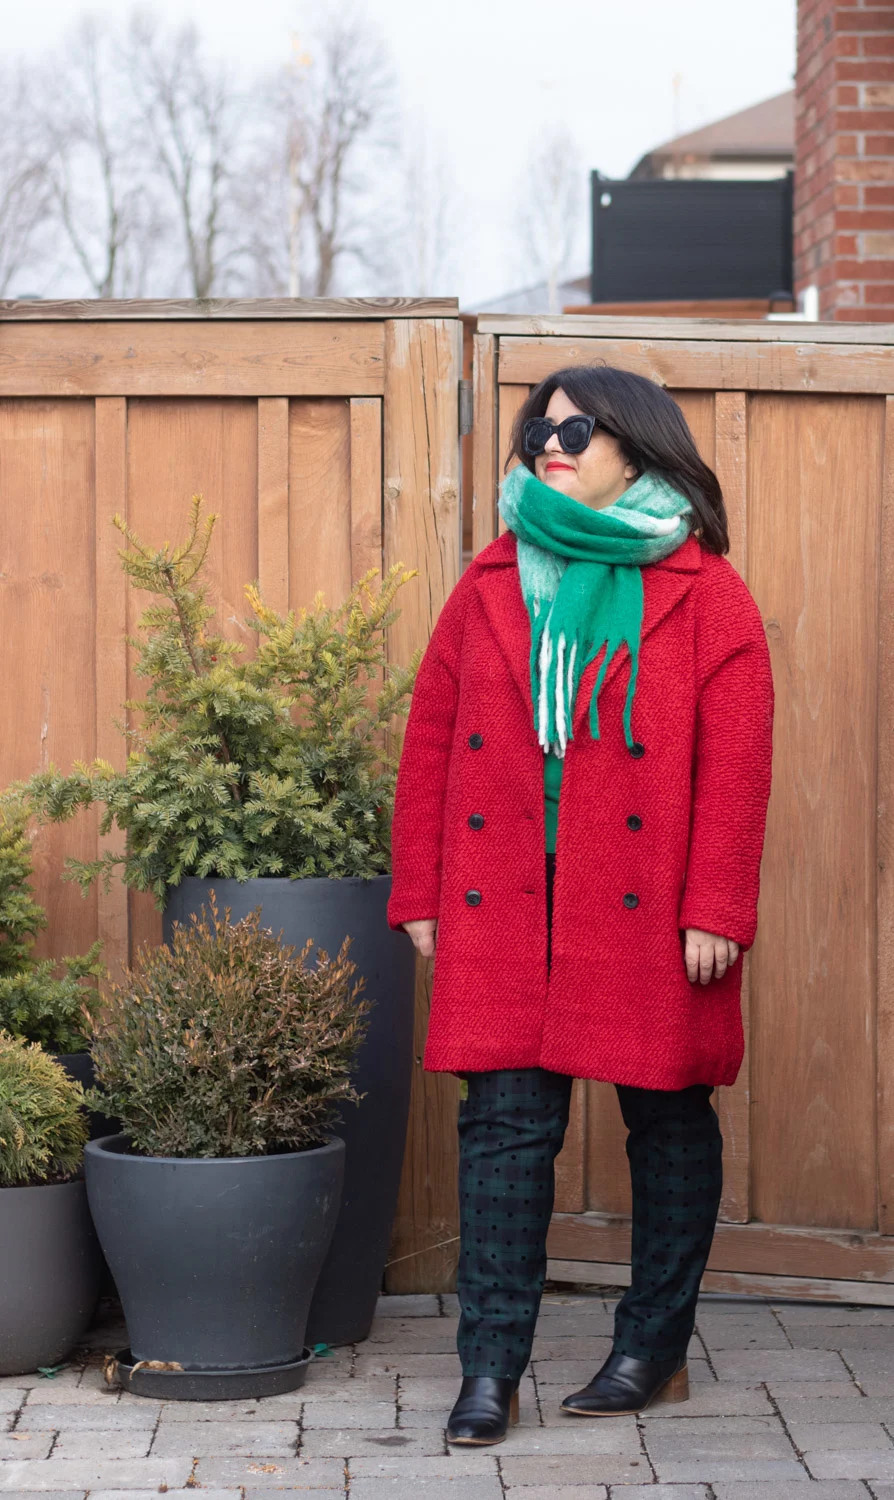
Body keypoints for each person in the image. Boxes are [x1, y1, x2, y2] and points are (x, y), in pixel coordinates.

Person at [386, 364, 775, 1444]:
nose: (551, 441)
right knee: (506, 1128)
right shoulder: (489, 585)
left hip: (651, 903)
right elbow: (429, 742)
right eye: (539, 428)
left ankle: (653, 1346)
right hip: (506, 892)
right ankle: (490, 1369)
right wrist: (419, 886)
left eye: (579, 426)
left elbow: (737, 769)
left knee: (665, 1110)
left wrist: (718, 909)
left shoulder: (708, 594)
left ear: (639, 448)